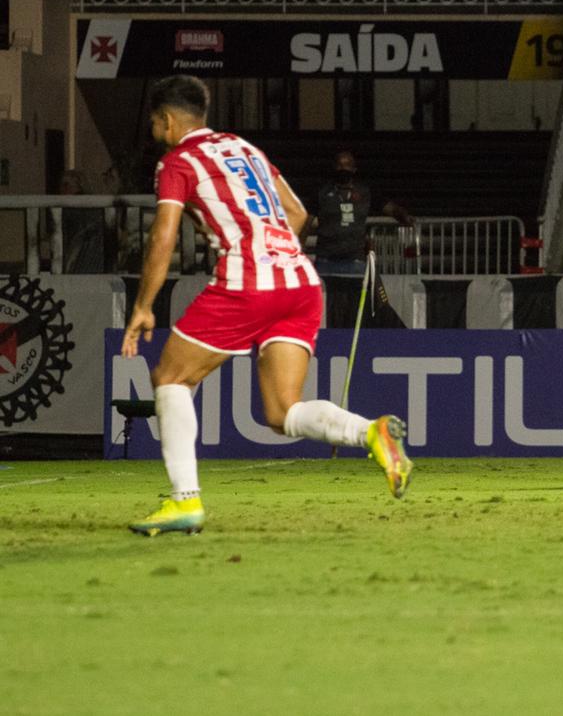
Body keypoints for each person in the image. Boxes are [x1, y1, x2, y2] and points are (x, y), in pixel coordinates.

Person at [121, 76, 412, 537]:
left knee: (170, 378)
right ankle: (370, 433)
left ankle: (184, 501)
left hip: (248, 280)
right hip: (300, 281)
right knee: (281, 412)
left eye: (156, 125)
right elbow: (298, 214)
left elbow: (163, 235)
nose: (156, 134)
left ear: (168, 121)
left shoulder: (177, 162)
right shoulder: (245, 149)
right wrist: (272, 257)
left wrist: (144, 305)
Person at [310, 150, 414, 275]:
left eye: (347, 165)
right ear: (334, 167)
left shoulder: (365, 192)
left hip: (355, 260)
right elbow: (306, 219)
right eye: (340, 165)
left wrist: (403, 215)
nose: (343, 169)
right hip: (326, 260)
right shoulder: (322, 192)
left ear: (354, 169)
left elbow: (390, 208)